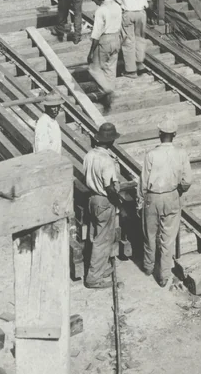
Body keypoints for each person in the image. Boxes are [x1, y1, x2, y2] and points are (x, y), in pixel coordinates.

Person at [140, 115, 193, 287]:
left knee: (150, 234)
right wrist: (178, 190)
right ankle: (163, 276)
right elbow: (187, 181)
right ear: (175, 134)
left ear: (159, 133)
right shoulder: (181, 153)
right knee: (167, 238)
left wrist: (140, 201)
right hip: (171, 196)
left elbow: (143, 182)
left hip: (153, 196)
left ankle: (148, 267)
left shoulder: (151, 154)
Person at [83, 121, 122, 288]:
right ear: (111, 141)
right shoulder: (107, 160)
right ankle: (94, 278)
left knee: (95, 237)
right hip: (104, 201)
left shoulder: (89, 155)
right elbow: (109, 186)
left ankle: (99, 268)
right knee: (103, 239)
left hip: (92, 199)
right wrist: (117, 199)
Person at [114, 0, 153, 78]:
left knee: (128, 41)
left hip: (128, 13)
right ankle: (140, 62)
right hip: (141, 12)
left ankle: (131, 70)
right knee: (140, 38)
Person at [88, 0, 122, 100]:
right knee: (111, 68)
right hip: (116, 38)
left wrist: (91, 52)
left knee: (94, 68)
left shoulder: (101, 10)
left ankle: (107, 89)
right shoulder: (117, 6)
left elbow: (97, 33)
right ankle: (110, 95)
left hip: (105, 40)